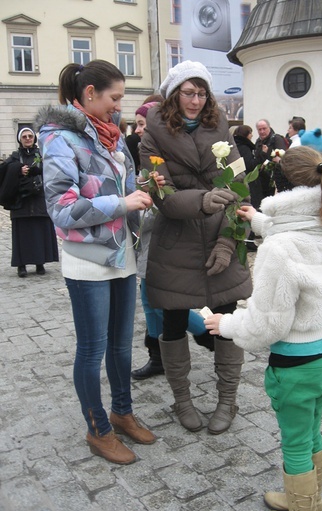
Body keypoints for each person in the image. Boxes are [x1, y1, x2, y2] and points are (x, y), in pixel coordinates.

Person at [205, 146, 322, 511]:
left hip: (297, 364)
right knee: (312, 429)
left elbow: (268, 324)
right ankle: (307, 498)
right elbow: (296, 233)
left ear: (279, 186)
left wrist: (226, 325)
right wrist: (258, 219)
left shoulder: (279, 250)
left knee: (296, 443)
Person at [34, 59, 161, 465]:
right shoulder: (57, 137)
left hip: (121, 251)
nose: (119, 107)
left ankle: (121, 412)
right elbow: (62, 207)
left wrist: (142, 187)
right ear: (90, 94)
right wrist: (122, 202)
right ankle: (97, 429)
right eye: (114, 98)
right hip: (87, 257)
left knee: (121, 347)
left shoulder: (111, 135)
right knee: (92, 350)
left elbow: (118, 187)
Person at [140, 60, 252, 435]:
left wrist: (228, 241)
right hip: (176, 240)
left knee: (226, 321)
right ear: (174, 94)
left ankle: (227, 400)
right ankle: (182, 401)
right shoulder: (152, 135)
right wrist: (203, 201)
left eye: (202, 93)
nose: (196, 100)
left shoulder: (221, 127)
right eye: (189, 92)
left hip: (221, 233)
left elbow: (240, 191)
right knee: (172, 322)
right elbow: (163, 195)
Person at [131, 100, 214, 381]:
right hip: (148, 239)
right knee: (149, 300)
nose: (138, 129)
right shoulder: (146, 153)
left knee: (163, 300)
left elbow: (179, 200)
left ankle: (207, 331)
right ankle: (158, 357)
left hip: (169, 240)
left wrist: (152, 194)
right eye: (137, 124)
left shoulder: (171, 154)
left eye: (142, 123)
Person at [0, 128, 59, 277]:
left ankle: (40, 262)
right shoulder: (14, 157)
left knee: (39, 232)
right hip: (21, 202)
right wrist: (18, 170)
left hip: (39, 200)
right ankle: (22, 265)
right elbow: (4, 171)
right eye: (24, 136)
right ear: (20, 139)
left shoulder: (42, 155)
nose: (27, 139)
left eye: (30, 136)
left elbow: (53, 171)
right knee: (22, 235)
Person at [233, 124, 261, 251]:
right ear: (246, 135)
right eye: (251, 133)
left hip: (240, 182)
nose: (253, 135)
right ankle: (249, 239)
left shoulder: (236, 145)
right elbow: (249, 165)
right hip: (249, 182)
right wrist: (261, 157)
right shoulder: (244, 147)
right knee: (252, 206)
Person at [254, 119, 289, 201]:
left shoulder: (277, 139)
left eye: (264, 128)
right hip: (262, 180)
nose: (262, 131)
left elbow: (281, 157)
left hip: (274, 180)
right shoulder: (258, 142)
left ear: (269, 128)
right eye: (260, 129)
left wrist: (266, 153)